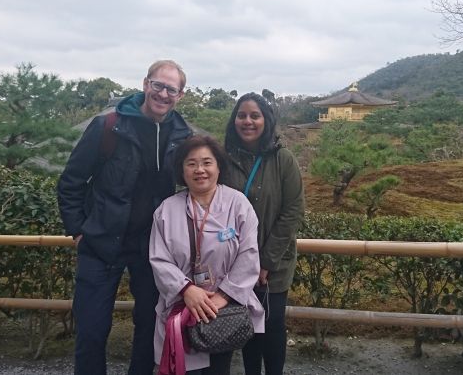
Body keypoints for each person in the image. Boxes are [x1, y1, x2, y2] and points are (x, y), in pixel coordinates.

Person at [57, 60, 192, 375]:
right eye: (158, 85)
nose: (163, 93)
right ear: (145, 84)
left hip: (153, 247)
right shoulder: (109, 126)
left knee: (150, 327)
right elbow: (71, 183)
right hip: (102, 242)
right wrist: (78, 229)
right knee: (91, 329)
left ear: (180, 95)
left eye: (171, 89)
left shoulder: (182, 136)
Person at [149, 135, 265, 375]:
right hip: (182, 306)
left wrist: (223, 296)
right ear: (182, 170)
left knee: (219, 368)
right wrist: (187, 290)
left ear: (219, 167)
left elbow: (249, 254)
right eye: (191, 163)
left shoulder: (238, 204)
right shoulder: (166, 210)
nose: (199, 170)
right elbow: (159, 259)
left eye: (207, 162)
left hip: (222, 309)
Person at [222, 93, 305, 375]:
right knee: (246, 325)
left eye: (254, 116)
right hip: (234, 263)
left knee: (272, 326)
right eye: (242, 115)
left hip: (275, 265)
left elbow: (292, 212)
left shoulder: (284, 160)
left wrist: (266, 262)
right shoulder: (223, 159)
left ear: (266, 121)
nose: (248, 121)